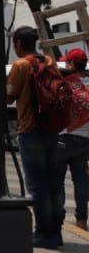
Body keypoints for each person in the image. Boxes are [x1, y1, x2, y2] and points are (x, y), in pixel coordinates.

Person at [7, 25, 62, 249]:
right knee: (53, 183)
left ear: (19, 44)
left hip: (30, 129)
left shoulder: (21, 65)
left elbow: (8, 97)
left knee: (37, 185)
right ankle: (55, 232)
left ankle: (43, 233)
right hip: (51, 128)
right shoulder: (49, 62)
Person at [57, 48, 89, 231]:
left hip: (63, 137)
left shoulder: (65, 83)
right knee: (81, 180)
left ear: (70, 64)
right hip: (84, 139)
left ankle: (59, 219)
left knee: (58, 180)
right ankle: (82, 220)